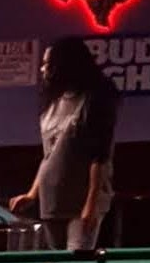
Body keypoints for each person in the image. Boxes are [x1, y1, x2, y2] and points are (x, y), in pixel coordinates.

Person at [10, 38, 119, 250]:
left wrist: (91, 204)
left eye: (47, 64)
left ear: (65, 66)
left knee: (77, 261)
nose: (42, 69)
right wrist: (32, 193)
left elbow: (99, 157)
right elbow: (49, 155)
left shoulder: (94, 100)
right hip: (52, 199)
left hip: (82, 201)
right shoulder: (52, 102)